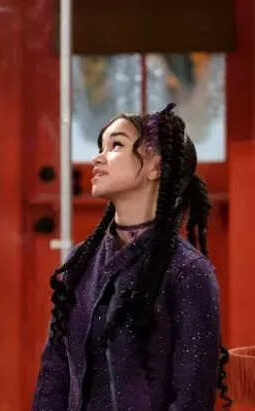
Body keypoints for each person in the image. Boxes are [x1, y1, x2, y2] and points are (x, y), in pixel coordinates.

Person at [32, 103, 230, 410]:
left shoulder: (188, 272)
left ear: (156, 167)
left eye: (116, 145)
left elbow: (191, 398)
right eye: (100, 147)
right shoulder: (81, 261)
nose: (97, 158)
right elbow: (55, 373)